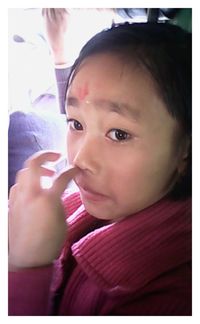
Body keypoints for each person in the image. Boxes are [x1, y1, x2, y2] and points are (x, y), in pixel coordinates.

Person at [8, 11, 192, 315]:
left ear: (185, 148)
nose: (80, 159)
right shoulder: (95, 199)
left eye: (118, 134)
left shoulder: (172, 302)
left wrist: (27, 266)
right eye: (76, 124)